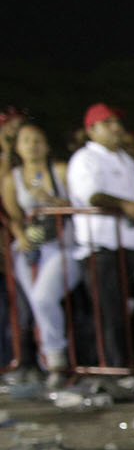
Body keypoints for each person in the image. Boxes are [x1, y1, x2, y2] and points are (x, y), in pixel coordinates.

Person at [67, 103, 134, 369]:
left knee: (131, 312)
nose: (116, 128)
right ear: (91, 130)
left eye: (116, 122)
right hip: (102, 248)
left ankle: (132, 368)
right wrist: (125, 205)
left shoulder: (124, 158)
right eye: (108, 123)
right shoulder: (85, 159)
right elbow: (93, 196)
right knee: (110, 315)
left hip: (131, 247)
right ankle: (115, 372)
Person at [2, 122, 82, 385]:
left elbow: (78, 204)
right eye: (26, 141)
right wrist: (21, 236)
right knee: (35, 306)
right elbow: (14, 217)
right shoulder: (11, 179)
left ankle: (56, 358)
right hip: (30, 250)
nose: (32, 146)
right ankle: (42, 361)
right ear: (18, 148)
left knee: (43, 298)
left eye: (37, 140)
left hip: (62, 246)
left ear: (47, 145)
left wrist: (55, 202)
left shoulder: (60, 171)